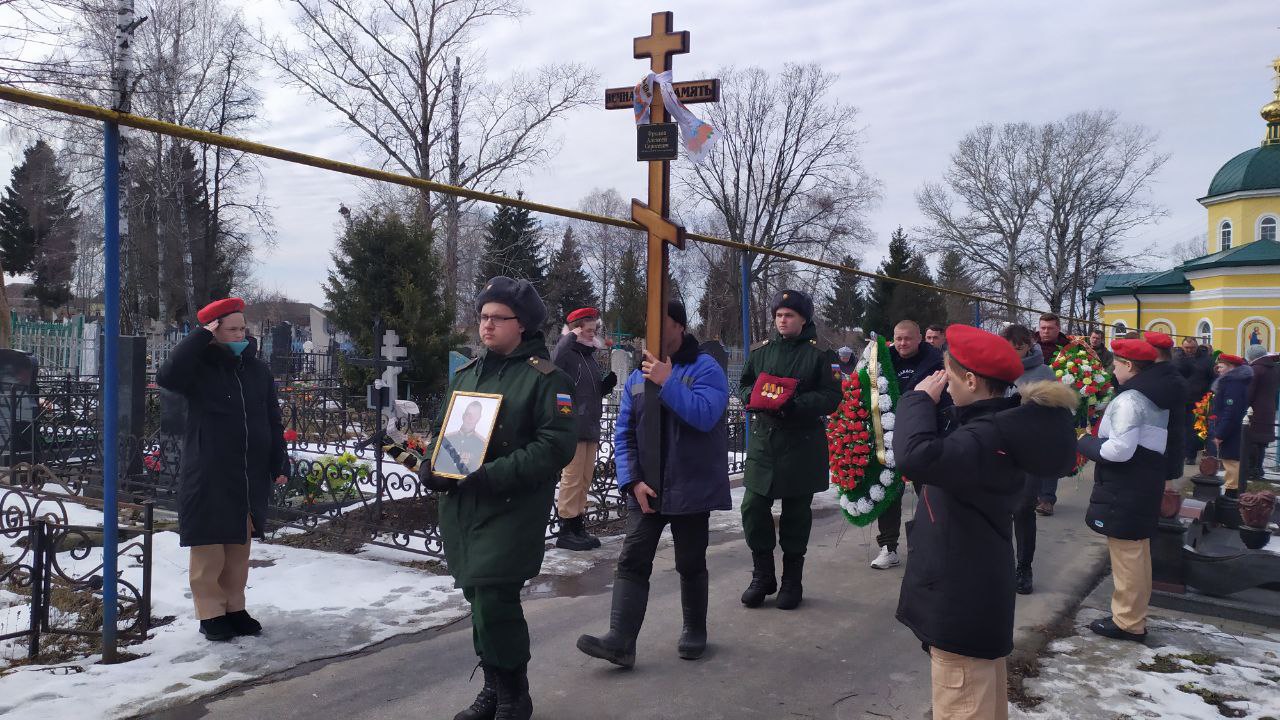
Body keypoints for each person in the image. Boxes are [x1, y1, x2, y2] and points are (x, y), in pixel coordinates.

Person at [895, 324, 1077, 719]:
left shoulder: (984, 438)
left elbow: (916, 456)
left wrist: (916, 400)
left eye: (949, 373)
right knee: (981, 699)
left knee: (962, 701)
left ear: (971, 381)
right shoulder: (997, 427)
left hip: (961, 598)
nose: (943, 382)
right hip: (974, 591)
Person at [426, 276, 577, 720]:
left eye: (497, 318)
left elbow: (555, 446)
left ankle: (514, 695)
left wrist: (491, 475)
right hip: (463, 510)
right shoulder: (467, 374)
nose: (486, 325)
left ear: (522, 324)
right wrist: (433, 465)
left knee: (495, 599)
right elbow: (443, 432)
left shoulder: (547, 380)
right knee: (479, 599)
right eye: (483, 317)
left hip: (511, 508)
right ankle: (493, 688)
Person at [577, 301, 730, 667]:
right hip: (648, 487)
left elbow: (706, 415)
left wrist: (668, 381)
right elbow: (625, 432)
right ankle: (620, 640)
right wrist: (632, 481)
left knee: (690, 561)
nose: (653, 332)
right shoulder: (637, 376)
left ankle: (694, 630)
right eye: (649, 325)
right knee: (632, 559)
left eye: (662, 323)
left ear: (679, 326)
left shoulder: (706, 368)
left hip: (691, 485)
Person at [156, 297, 289, 642]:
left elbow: (272, 418)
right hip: (211, 470)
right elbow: (167, 375)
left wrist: (279, 457)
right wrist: (200, 336)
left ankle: (234, 607)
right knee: (210, 546)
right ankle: (211, 613)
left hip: (247, 472)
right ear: (214, 331)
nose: (240, 334)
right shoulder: (199, 368)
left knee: (238, 547)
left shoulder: (256, 370)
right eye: (232, 329)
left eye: (243, 328)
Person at [738, 289, 841, 610]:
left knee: (796, 514)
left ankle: (792, 580)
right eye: (779, 315)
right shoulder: (761, 352)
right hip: (765, 443)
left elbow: (831, 396)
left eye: (789, 315)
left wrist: (795, 404)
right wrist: (752, 398)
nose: (782, 321)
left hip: (801, 445)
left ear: (803, 319)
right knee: (753, 507)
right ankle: (763, 575)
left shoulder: (820, 355)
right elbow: (744, 384)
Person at [1078, 338, 1173, 643]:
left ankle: (1128, 622)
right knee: (1136, 552)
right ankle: (1132, 615)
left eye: (1116, 363)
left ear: (1129, 365)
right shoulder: (1155, 394)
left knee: (1127, 555)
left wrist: (1085, 442)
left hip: (1126, 486)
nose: (1113, 369)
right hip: (1144, 481)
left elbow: (1119, 450)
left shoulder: (1130, 400)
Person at [871, 319, 946, 570]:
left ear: (919, 338)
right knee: (888, 491)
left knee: (928, 493)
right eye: (898, 338)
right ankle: (888, 546)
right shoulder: (883, 361)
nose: (902, 343)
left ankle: (929, 546)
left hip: (924, 434)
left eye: (908, 338)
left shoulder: (936, 362)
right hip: (889, 436)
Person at [551, 307, 618, 551]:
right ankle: (566, 528)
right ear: (576, 330)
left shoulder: (588, 356)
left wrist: (604, 387)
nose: (593, 334)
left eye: (594, 329)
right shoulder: (567, 352)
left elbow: (588, 391)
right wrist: (571, 335)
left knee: (585, 478)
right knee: (572, 477)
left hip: (590, 423)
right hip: (573, 425)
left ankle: (577, 524)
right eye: (588, 329)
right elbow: (555, 361)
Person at [999, 324, 1055, 595]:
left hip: (1029, 451)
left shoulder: (1043, 372)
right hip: (998, 448)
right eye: (1008, 348)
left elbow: (1054, 414)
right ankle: (999, 565)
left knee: (1023, 509)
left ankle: (1024, 567)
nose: (1014, 353)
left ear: (1028, 346)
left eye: (1019, 348)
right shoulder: (996, 369)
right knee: (997, 510)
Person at [1142, 332, 1188, 489]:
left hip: (1161, 445)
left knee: (1162, 491)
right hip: (1168, 443)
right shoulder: (1171, 373)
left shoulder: (1159, 377)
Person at [1208, 353, 1254, 499]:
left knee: (1232, 462)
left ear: (1231, 367)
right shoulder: (1232, 382)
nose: (1218, 369)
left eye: (1221, 366)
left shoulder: (1233, 384)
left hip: (1232, 431)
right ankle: (1232, 492)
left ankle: (1232, 495)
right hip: (1231, 429)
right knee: (1230, 461)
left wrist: (1220, 434)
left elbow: (1231, 411)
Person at [1175, 336, 1214, 464]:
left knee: (1197, 429)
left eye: (1192, 348)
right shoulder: (1177, 359)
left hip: (1200, 399)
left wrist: (1208, 394)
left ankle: (1192, 454)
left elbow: (1213, 378)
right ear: (1182, 347)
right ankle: (1184, 453)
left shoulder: (1206, 360)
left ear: (1196, 347)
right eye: (1187, 348)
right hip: (1181, 399)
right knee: (1182, 428)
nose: (1189, 350)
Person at [1245, 344, 1279, 482]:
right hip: (1268, 409)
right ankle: (1258, 469)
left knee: (1252, 440)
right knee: (1261, 442)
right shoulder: (1273, 368)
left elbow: (1249, 392)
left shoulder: (1255, 369)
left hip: (1255, 410)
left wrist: (1243, 405)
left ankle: (1251, 470)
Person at [436, 401, 488, 476]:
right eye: (468, 414)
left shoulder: (482, 444)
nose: (470, 418)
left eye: (475, 415)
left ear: (479, 418)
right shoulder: (447, 438)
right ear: (463, 415)